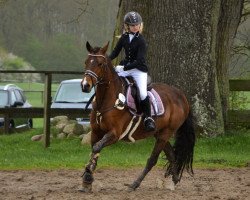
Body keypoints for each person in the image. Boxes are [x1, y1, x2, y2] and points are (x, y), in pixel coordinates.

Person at [109, 11, 156, 132]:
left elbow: (140, 60)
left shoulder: (141, 41)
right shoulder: (124, 38)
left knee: (142, 94)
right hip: (125, 68)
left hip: (138, 70)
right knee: (112, 82)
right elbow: (115, 52)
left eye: (137, 25)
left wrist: (124, 68)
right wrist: (104, 60)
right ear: (127, 26)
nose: (135, 27)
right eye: (133, 25)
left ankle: (148, 119)